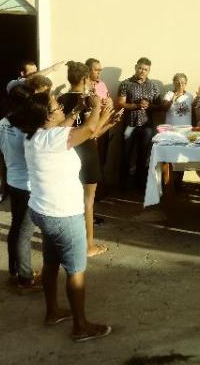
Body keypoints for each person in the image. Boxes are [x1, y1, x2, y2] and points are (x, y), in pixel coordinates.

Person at [17, 91, 112, 342]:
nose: (60, 107)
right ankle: (81, 326)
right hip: (63, 215)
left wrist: (76, 110)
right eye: (56, 106)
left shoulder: (34, 136)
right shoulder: (56, 138)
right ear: (46, 116)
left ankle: (53, 311)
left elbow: (65, 126)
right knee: (76, 270)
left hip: (43, 211)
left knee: (51, 262)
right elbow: (91, 129)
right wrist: (94, 108)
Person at [58, 61, 121, 257]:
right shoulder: (91, 101)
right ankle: (88, 246)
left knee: (65, 201)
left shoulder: (59, 100)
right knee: (88, 202)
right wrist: (108, 118)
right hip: (86, 154)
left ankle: (64, 242)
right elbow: (91, 133)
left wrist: (109, 124)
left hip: (65, 155)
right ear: (85, 79)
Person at [0, 84, 40, 290]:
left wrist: (3, 181)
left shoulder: (3, 123)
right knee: (24, 232)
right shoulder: (27, 128)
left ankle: (15, 269)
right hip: (28, 185)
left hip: (13, 182)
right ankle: (25, 277)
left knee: (16, 227)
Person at [116, 57, 161, 190]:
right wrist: (136, 105)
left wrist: (148, 106)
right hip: (130, 124)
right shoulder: (126, 84)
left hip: (146, 126)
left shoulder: (153, 86)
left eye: (145, 69)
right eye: (140, 68)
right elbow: (121, 103)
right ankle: (122, 186)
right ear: (136, 67)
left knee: (144, 156)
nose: (142, 71)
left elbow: (159, 106)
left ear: (149, 71)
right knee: (125, 154)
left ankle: (140, 186)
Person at [86, 58, 111, 203]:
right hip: (91, 127)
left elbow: (109, 100)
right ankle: (90, 195)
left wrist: (108, 102)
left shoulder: (101, 84)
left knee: (102, 158)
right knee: (90, 161)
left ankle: (99, 191)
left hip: (104, 125)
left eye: (100, 70)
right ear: (88, 70)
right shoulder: (85, 86)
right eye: (96, 69)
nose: (99, 72)